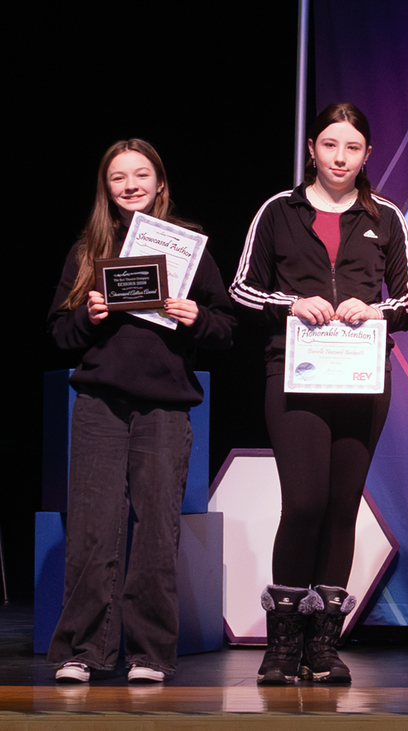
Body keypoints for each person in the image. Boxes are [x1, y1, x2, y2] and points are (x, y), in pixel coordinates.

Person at [230, 102, 408, 685]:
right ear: (312, 148)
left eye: (352, 148)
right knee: (305, 503)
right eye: (330, 145)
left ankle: (323, 646)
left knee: (342, 508)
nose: (340, 158)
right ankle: (283, 645)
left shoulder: (386, 216)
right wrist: (292, 303)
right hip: (295, 373)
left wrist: (376, 310)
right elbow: (242, 289)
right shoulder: (278, 211)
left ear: (367, 155)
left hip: (362, 377)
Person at [47, 139, 235, 683]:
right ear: (106, 188)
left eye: (141, 174)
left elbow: (226, 328)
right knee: (91, 531)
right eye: (118, 177)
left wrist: (196, 317)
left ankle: (149, 654)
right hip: (99, 405)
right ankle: (84, 650)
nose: (131, 185)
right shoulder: (89, 251)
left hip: (165, 408)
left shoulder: (187, 247)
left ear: (159, 182)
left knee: (156, 531)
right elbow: (59, 333)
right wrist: (88, 317)